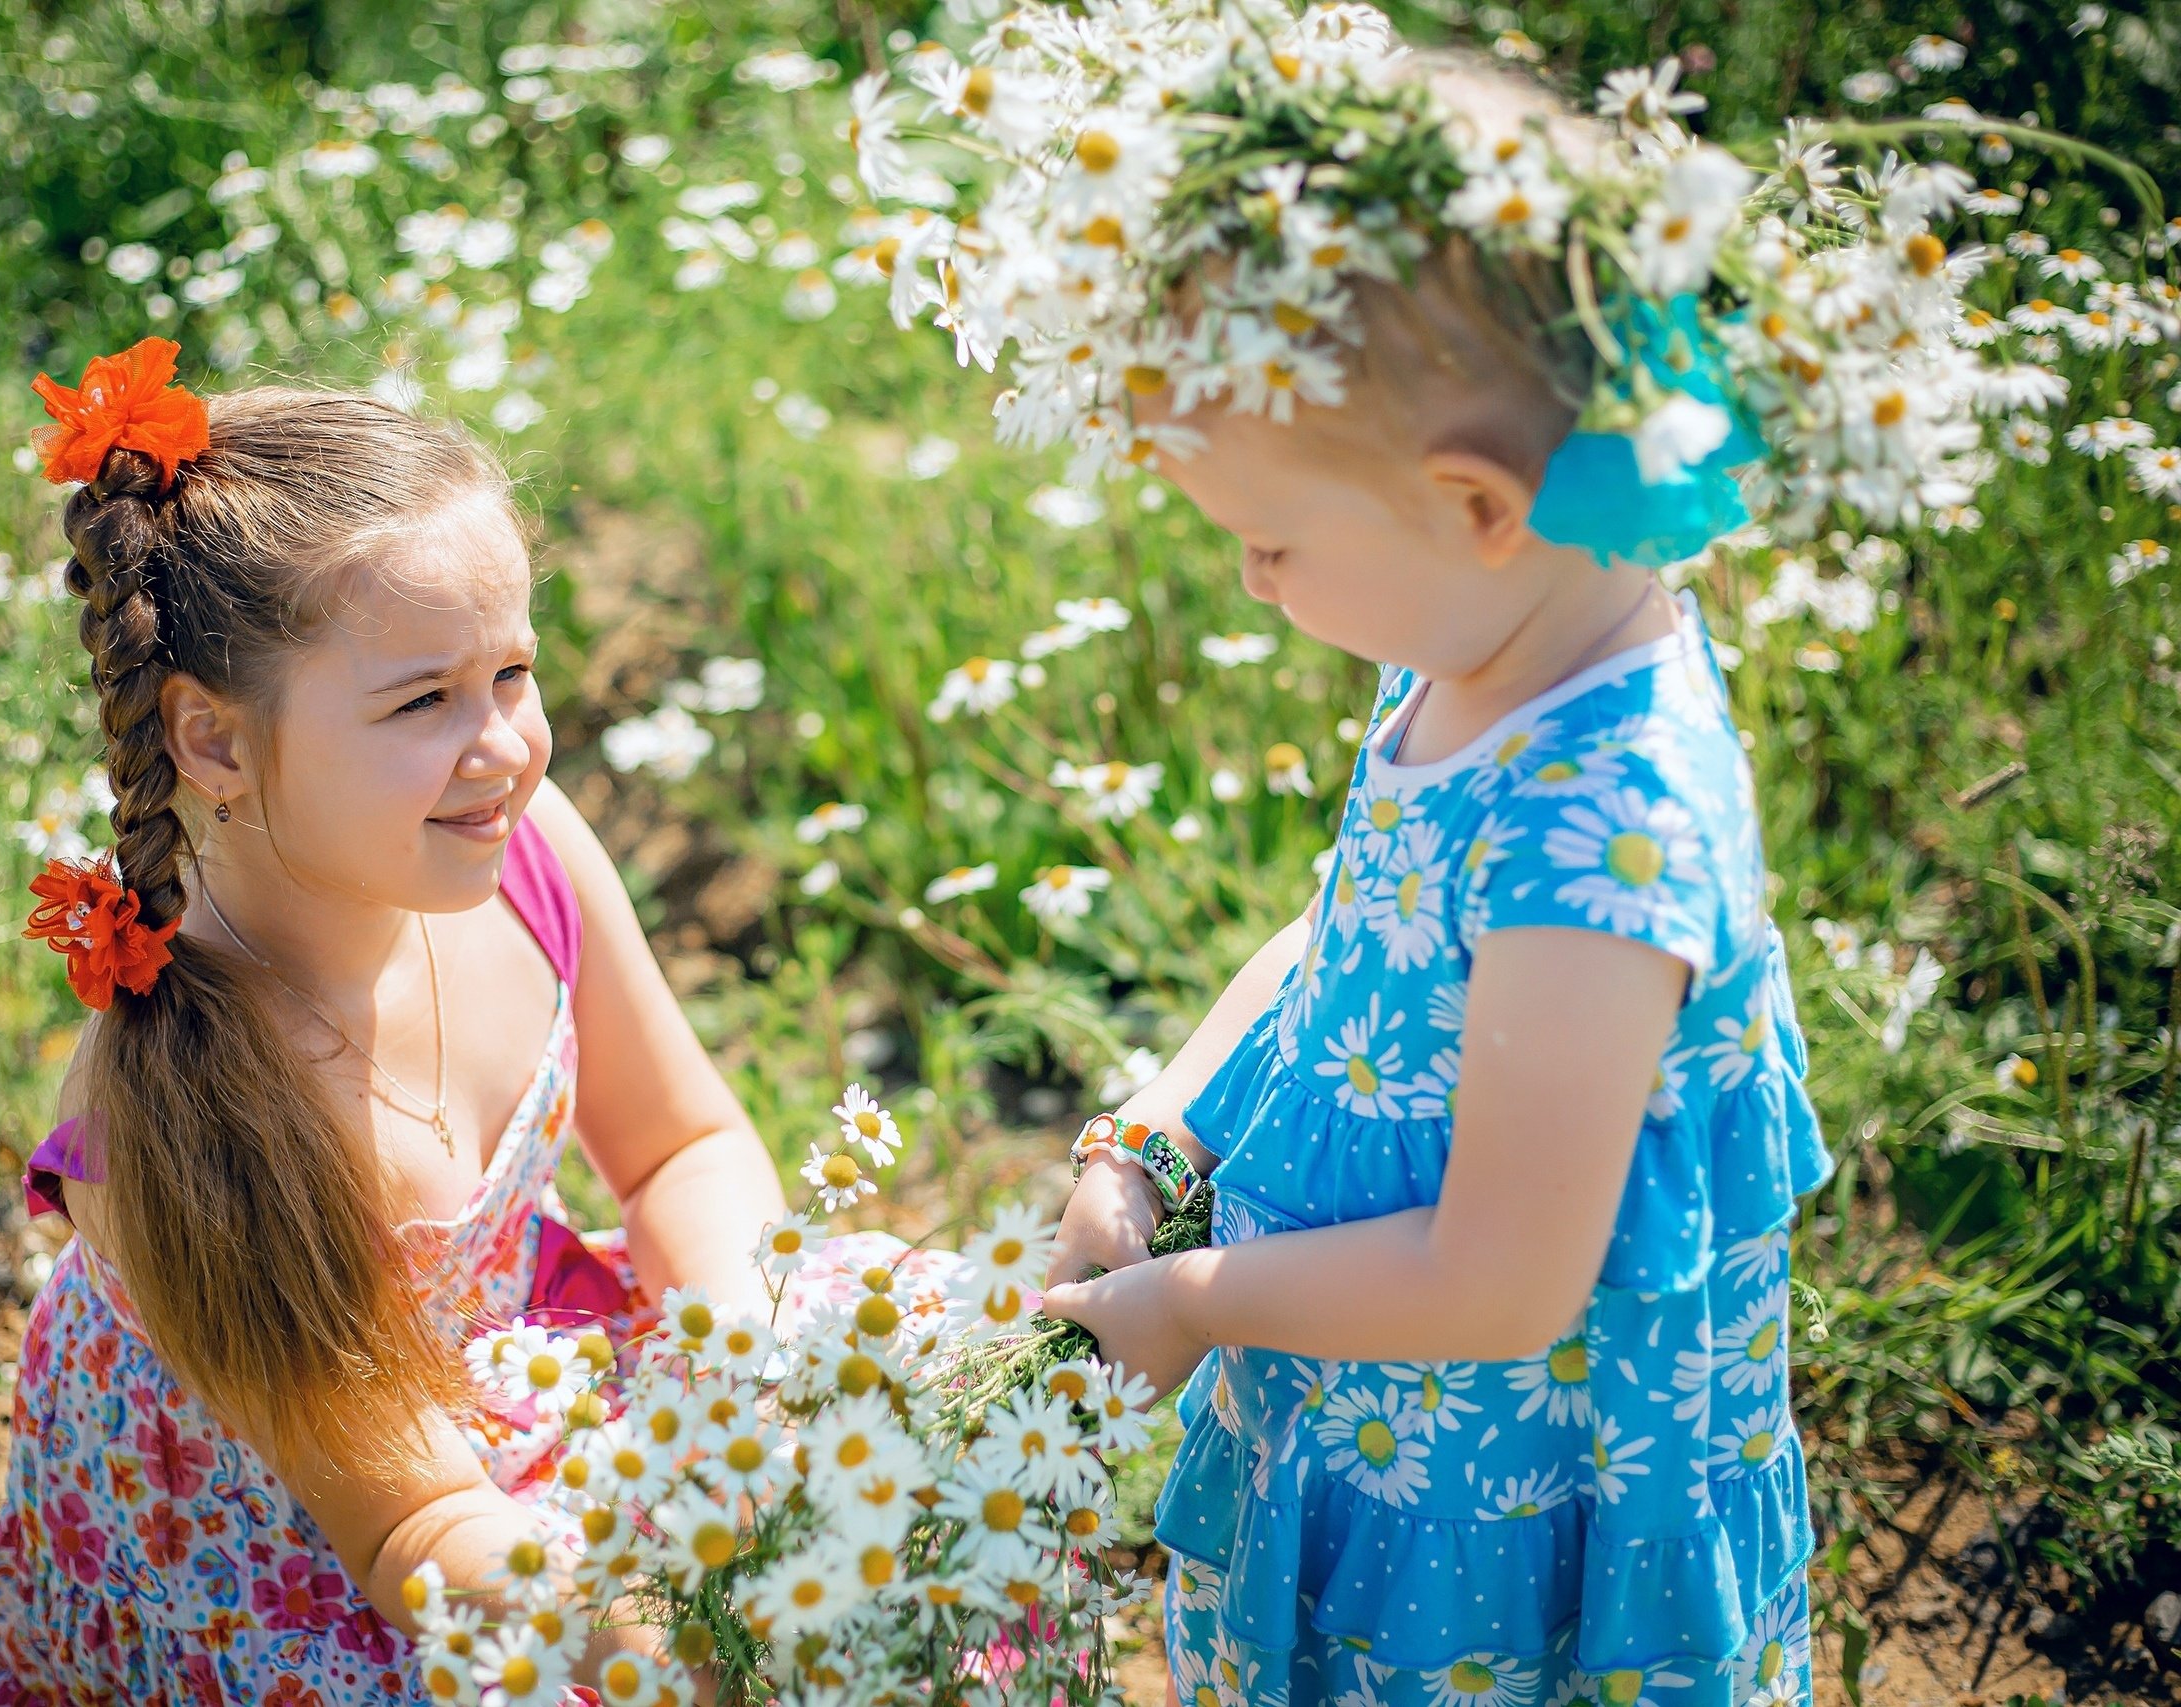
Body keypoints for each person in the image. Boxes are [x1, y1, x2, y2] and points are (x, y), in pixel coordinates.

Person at [841, 4, 2012, 1698]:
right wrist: (1156, 1136)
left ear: (1475, 503)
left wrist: (1204, 1308)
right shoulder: (1479, 642)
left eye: (1268, 538)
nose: (1247, 579)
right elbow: (1338, 952)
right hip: (1375, 1397)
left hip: (1512, 1486)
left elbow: (1503, 1274)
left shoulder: (1607, 820)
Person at [0, 342, 922, 1704]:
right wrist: (679, 1637)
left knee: (884, 1355)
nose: (505, 744)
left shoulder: (526, 852)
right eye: (423, 701)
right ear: (211, 743)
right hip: (333, 1549)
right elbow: (412, 1531)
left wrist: (741, 1374)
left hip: (505, 1400)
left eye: (511, 673)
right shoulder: (189, 1098)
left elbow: (679, 1145)